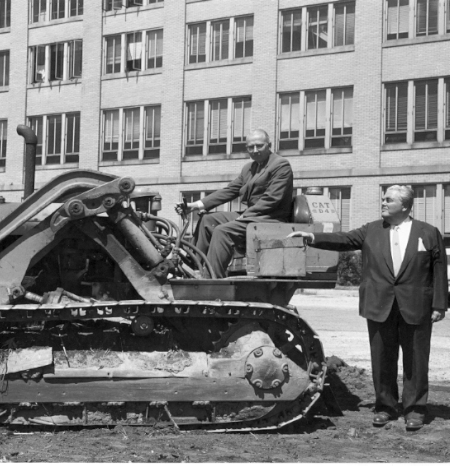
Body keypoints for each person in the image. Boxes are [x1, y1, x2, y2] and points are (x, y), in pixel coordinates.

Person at [289, 185, 447, 431]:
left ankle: (415, 409)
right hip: (379, 304)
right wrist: (312, 237)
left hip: (417, 306)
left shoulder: (428, 232)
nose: (383, 203)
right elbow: (344, 240)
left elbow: (438, 269)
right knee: (382, 358)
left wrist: (440, 304)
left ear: (404, 206)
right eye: (383, 199)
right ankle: (385, 407)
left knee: (416, 360)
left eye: (388, 200)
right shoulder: (371, 230)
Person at [176, 129, 293, 278]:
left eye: (259, 146)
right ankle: (193, 267)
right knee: (207, 220)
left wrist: (245, 215)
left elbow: (271, 199)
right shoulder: (249, 168)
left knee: (222, 231)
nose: (255, 150)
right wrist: (195, 205)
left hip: (271, 218)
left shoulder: (281, 165)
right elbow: (230, 190)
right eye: (251, 147)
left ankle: (211, 279)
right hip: (253, 217)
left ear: (269, 145)